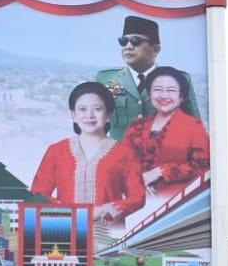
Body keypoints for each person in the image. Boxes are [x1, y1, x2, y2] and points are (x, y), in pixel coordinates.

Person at [29, 81, 144, 224]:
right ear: (73, 115)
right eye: (82, 109)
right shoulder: (56, 151)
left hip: (110, 234)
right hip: (65, 231)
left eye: (97, 109)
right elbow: (38, 194)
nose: (89, 115)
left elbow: (138, 197)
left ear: (108, 114)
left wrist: (105, 210)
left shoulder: (125, 152)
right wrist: (68, 212)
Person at [95, 16, 198, 140]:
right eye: (123, 41)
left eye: (135, 41)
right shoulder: (106, 79)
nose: (128, 46)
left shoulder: (179, 80)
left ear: (155, 49)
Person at [121, 67, 210, 200]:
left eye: (171, 90)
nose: (163, 95)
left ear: (181, 96)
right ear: (149, 94)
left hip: (176, 203)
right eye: (157, 90)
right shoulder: (136, 127)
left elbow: (205, 166)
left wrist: (161, 172)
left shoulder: (194, 128)